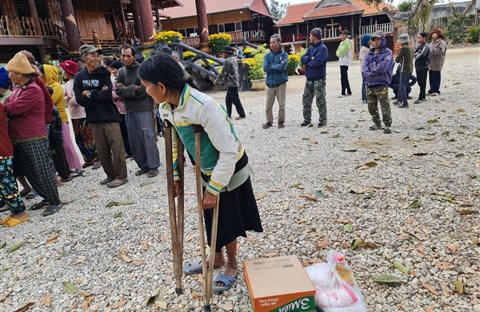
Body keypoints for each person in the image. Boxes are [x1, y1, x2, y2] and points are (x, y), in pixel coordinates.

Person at [138, 53, 263, 293]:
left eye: (147, 87)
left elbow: (228, 150)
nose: (146, 92)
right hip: (205, 168)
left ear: (161, 86)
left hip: (229, 167)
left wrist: (214, 188)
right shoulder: (166, 107)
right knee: (209, 214)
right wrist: (175, 175)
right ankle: (215, 257)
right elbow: (174, 142)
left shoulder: (203, 106)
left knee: (226, 217)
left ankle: (232, 264)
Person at [4, 52, 62, 216]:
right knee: (30, 170)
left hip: (33, 135)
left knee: (41, 169)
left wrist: (8, 106)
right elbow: (9, 104)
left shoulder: (32, 90)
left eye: (11, 72)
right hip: (20, 136)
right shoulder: (19, 88)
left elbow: (12, 108)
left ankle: (54, 200)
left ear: (19, 73)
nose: (9, 75)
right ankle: (45, 197)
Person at [73, 44, 128, 188]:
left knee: (117, 148)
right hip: (93, 119)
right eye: (93, 55)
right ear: (85, 58)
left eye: (98, 55)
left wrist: (90, 93)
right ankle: (110, 175)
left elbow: (107, 94)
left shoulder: (104, 73)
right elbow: (79, 99)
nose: (97, 58)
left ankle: (121, 176)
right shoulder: (79, 77)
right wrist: (97, 93)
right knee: (102, 151)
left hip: (110, 116)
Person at [116, 45, 160, 178]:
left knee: (148, 137)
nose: (125, 58)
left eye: (128, 56)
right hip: (129, 109)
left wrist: (126, 89)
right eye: (123, 56)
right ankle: (143, 165)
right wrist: (132, 88)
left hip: (144, 107)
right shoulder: (121, 72)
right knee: (134, 139)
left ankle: (153, 165)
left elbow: (145, 89)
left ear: (134, 56)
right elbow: (118, 91)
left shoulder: (142, 69)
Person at [40, 64, 84, 175]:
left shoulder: (56, 86)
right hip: (52, 119)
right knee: (59, 145)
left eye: (40, 74)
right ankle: (67, 167)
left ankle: (77, 166)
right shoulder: (46, 86)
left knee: (66, 143)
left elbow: (50, 101)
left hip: (60, 118)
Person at [0, 67, 28, 226]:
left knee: (7, 184)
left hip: (2, 150)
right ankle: (13, 210)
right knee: (2, 185)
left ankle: (20, 211)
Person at [61, 60, 101, 169]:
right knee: (78, 138)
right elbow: (64, 97)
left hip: (82, 114)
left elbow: (78, 99)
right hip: (74, 115)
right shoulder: (67, 84)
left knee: (88, 138)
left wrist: (68, 99)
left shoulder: (77, 82)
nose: (62, 73)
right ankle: (87, 158)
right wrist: (68, 99)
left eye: (63, 71)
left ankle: (96, 158)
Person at [362, 31, 395, 134]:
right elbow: (364, 68)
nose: (375, 42)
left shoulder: (388, 52)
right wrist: (374, 69)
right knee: (371, 106)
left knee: (384, 105)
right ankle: (377, 123)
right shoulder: (369, 53)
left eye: (378, 39)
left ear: (383, 40)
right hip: (369, 83)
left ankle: (387, 125)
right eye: (373, 39)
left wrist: (372, 67)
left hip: (381, 84)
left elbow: (383, 67)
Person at [300, 28, 329, 127]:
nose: (309, 37)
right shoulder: (310, 48)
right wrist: (310, 58)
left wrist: (308, 63)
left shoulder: (323, 48)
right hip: (309, 79)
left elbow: (317, 62)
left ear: (315, 36)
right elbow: (302, 59)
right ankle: (307, 119)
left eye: (310, 35)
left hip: (319, 79)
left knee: (320, 100)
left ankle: (322, 120)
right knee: (306, 100)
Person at [104, 59, 132, 158]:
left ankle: (130, 150)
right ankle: (128, 150)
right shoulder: (113, 79)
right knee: (123, 132)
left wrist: (110, 93)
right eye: (111, 69)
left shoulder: (121, 78)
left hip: (125, 109)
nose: (112, 71)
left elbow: (121, 93)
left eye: (114, 69)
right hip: (118, 110)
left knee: (126, 131)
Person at [262, 34, 288, 129]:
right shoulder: (267, 56)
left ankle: (281, 122)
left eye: (273, 42)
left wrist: (272, 66)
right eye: (270, 42)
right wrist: (276, 66)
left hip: (281, 83)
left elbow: (282, 67)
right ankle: (269, 121)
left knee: (282, 104)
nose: (271, 44)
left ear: (279, 43)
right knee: (268, 106)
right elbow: (265, 68)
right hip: (270, 83)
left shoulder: (284, 55)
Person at [214, 46, 246, 120]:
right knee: (228, 100)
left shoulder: (227, 61)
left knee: (235, 100)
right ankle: (228, 115)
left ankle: (242, 114)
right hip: (234, 82)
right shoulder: (233, 60)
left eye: (223, 53)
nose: (222, 54)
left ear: (227, 53)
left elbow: (223, 73)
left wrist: (216, 81)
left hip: (232, 83)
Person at [394, 34, 414, 108]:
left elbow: (397, 59)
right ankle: (399, 100)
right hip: (410, 68)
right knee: (404, 85)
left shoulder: (403, 48)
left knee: (402, 86)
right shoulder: (411, 47)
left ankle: (405, 103)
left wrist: (400, 60)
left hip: (404, 68)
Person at [428, 28, 447, 96]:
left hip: (437, 61)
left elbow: (440, 50)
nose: (433, 34)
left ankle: (436, 90)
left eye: (435, 33)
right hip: (431, 62)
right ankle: (431, 89)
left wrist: (431, 51)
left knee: (436, 76)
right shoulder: (432, 42)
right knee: (431, 76)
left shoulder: (441, 42)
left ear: (439, 34)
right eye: (432, 33)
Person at [413, 32, 430, 104]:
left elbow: (422, 55)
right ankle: (422, 95)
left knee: (423, 81)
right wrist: (416, 54)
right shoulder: (419, 46)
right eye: (418, 37)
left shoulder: (426, 46)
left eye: (419, 37)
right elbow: (414, 53)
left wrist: (417, 54)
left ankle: (422, 97)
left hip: (424, 66)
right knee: (419, 81)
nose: (418, 39)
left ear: (424, 38)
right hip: (418, 66)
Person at [336, 30, 352, 96]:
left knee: (343, 77)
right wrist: (338, 53)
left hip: (345, 62)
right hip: (342, 61)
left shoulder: (347, 43)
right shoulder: (342, 43)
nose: (341, 36)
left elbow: (341, 52)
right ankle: (349, 91)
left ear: (345, 35)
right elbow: (337, 51)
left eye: (342, 35)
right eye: (341, 35)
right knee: (345, 77)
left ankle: (343, 92)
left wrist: (338, 53)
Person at [359, 34, 372, 103]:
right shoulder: (363, 49)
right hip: (364, 70)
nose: (371, 41)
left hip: (369, 69)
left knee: (368, 83)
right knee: (365, 83)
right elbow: (364, 60)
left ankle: (368, 96)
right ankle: (364, 98)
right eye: (370, 40)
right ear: (366, 41)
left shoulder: (369, 48)